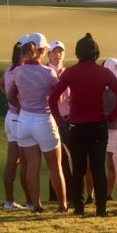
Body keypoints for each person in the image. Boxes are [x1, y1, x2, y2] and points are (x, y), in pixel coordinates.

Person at [49, 33, 117, 217]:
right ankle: (101, 208)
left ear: (78, 53)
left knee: (78, 169)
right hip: (99, 127)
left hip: (76, 127)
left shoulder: (70, 72)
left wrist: (61, 123)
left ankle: (79, 207)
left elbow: (53, 99)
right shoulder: (104, 72)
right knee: (98, 168)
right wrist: (112, 117)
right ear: (96, 53)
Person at [7, 33, 67, 213]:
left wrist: (21, 108)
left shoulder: (18, 71)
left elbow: (11, 95)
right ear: (42, 51)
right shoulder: (49, 72)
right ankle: (63, 205)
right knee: (55, 166)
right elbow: (60, 96)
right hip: (43, 120)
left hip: (24, 121)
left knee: (32, 166)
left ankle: (36, 205)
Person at [0, 37, 32, 210]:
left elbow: (0, 84)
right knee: (25, 162)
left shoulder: (10, 69)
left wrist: (9, 98)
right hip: (20, 116)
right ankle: (31, 202)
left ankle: (9, 201)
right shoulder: (22, 71)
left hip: (10, 116)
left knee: (12, 161)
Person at [47, 41, 73, 205]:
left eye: (60, 52)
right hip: (50, 120)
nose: (58, 55)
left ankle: (70, 194)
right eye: (54, 52)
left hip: (67, 119)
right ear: (48, 54)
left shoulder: (68, 73)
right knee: (56, 160)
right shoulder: (46, 72)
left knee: (69, 158)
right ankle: (55, 196)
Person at [103, 58, 117, 201]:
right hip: (102, 128)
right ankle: (101, 193)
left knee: (111, 162)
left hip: (113, 129)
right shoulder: (100, 85)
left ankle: (108, 194)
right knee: (99, 162)